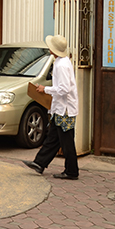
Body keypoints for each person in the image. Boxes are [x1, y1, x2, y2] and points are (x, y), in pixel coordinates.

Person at [23, 35, 79, 180]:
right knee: (53, 137)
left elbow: (64, 89)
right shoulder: (63, 61)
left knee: (66, 142)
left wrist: (45, 90)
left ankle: (71, 171)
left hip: (64, 109)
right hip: (61, 108)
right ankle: (39, 163)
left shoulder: (61, 65)